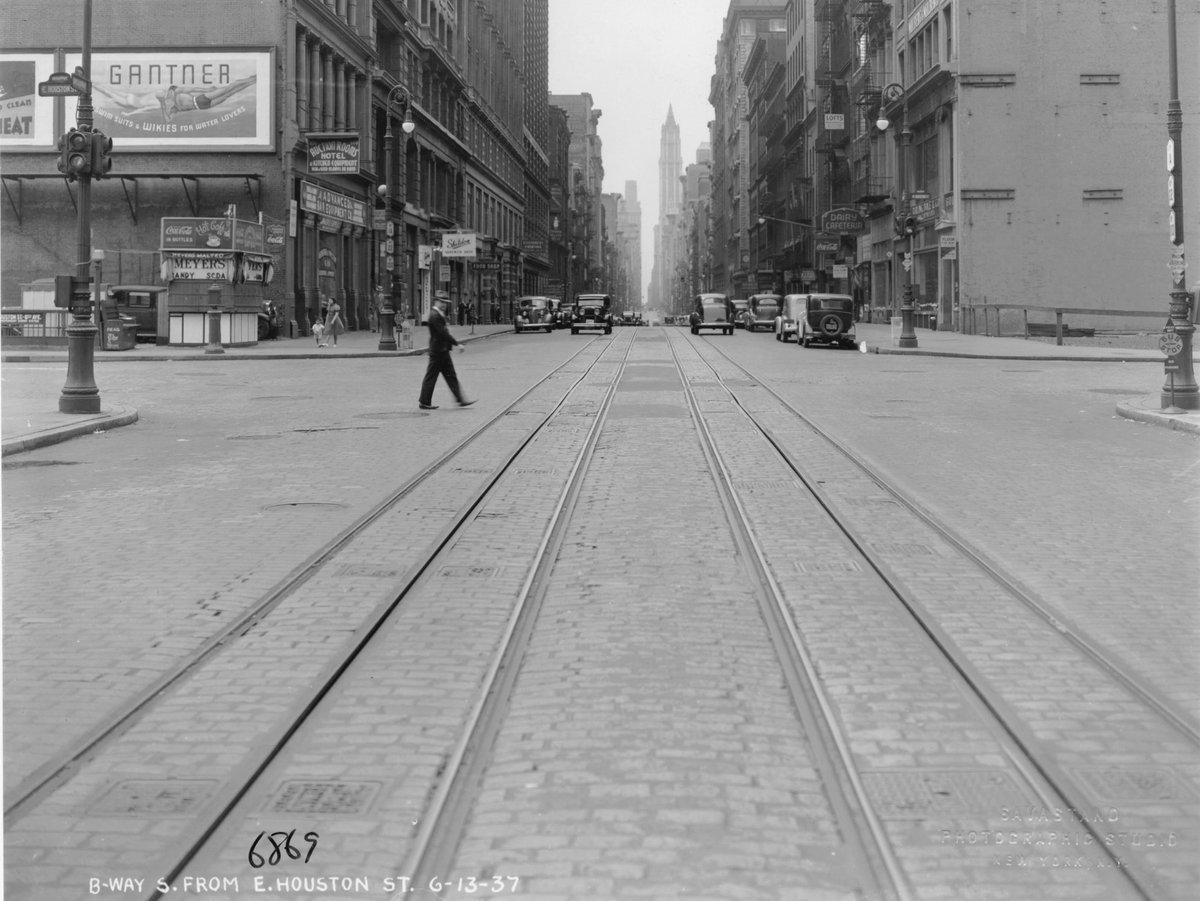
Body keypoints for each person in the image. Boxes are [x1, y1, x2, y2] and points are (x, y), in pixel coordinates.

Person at [419, 293, 474, 410]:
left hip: (442, 351)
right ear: (436, 301)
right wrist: (457, 343)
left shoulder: (438, 314)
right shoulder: (434, 315)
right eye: (442, 302)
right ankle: (424, 401)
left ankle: (461, 399)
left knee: (451, 376)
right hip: (438, 351)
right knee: (431, 376)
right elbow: (443, 333)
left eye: (445, 303)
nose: (444, 305)